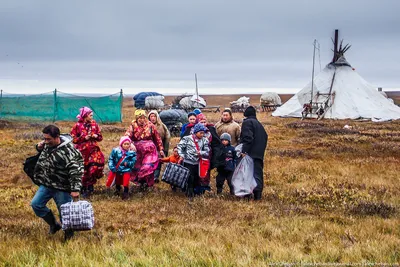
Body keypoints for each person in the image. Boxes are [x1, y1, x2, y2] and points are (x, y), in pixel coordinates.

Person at [30, 125, 83, 241]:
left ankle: (69, 236)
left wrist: (75, 189)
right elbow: (43, 152)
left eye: (48, 139)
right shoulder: (47, 145)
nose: (46, 141)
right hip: (47, 184)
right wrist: (38, 147)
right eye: (44, 138)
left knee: (65, 213)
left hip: (62, 187)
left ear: (57, 137)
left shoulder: (69, 151)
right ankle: (54, 225)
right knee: (36, 204)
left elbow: (76, 171)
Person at [125, 109, 164, 189]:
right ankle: (141, 184)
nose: (142, 120)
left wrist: (160, 149)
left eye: (143, 118)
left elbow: (157, 138)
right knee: (137, 169)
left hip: (149, 150)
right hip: (137, 151)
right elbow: (127, 136)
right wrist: (130, 144)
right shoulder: (133, 125)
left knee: (147, 167)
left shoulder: (150, 125)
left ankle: (148, 184)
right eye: (140, 118)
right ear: (136, 118)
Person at [70, 107, 105, 197]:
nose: (92, 117)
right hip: (82, 151)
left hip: (94, 149)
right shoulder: (77, 126)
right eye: (90, 115)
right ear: (85, 116)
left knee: (95, 166)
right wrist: (83, 138)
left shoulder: (94, 124)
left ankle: (90, 184)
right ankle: (86, 187)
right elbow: (73, 139)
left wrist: (95, 136)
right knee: (84, 170)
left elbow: (100, 137)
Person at [239, 106, 268, 200]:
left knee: (248, 174)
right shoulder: (259, 124)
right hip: (259, 154)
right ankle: (258, 195)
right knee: (257, 174)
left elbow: (248, 138)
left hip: (250, 154)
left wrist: (244, 151)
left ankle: (247, 194)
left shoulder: (247, 122)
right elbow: (265, 137)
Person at [177, 123, 210, 198]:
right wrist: (182, 155)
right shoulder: (187, 138)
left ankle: (195, 193)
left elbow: (207, 150)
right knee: (189, 178)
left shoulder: (205, 140)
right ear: (196, 132)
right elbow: (180, 146)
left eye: (203, 133)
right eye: (200, 133)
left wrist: (201, 152)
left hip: (198, 163)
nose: (202, 134)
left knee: (196, 178)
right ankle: (189, 193)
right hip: (188, 162)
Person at [148, 110, 171, 183]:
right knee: (149, 162)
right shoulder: (146, 126)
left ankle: (156, 177)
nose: (153, 118)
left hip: (159, 147)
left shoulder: (162, 125)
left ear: (157, 117)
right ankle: (150, 176)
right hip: (149, 148)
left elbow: (167, 136)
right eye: (151, 116)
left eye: (154, 116)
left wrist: (165, 149)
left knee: (158, 162)